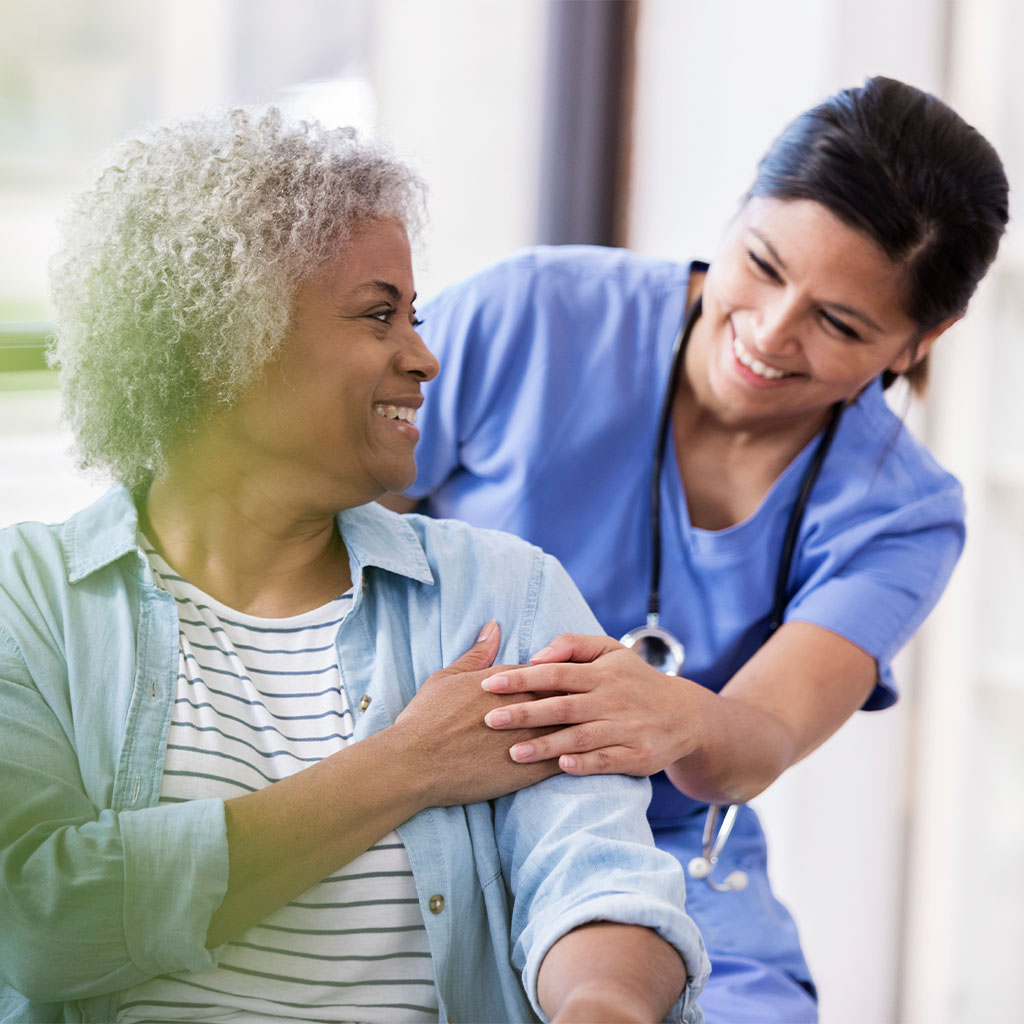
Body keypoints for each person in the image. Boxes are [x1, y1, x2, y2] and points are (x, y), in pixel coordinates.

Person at [0, 108, 710, 1023]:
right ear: (226, 340)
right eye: (380, 315)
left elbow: (595, 875)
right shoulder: (33, 598)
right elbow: (37, 925)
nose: (424, 357)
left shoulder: (502, 592)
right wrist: (407, 764)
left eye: (414, 317)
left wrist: (604, 1008)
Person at [385, 76, 1010, 1022]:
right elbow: (313, 510)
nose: (769, 334)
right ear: (739, 213)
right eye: (760, 265)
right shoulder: (539, 314)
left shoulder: (904, 514)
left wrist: (677, 718)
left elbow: (754, 744)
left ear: (921, 339)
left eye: (840, 324)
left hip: (656, 838)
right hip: (421, 779)